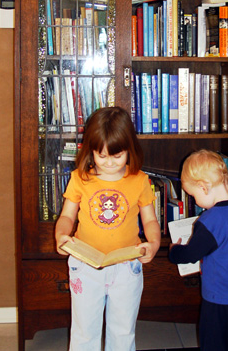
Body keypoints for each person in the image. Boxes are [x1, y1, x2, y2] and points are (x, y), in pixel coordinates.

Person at [55, 106, 161, 351]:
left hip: (126, 266)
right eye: (102, 156)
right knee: (84, 333)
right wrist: (61, 235)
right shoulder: (79, 179)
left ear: (129, 150)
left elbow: (150, 221)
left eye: (117, 155)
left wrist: (153, 244)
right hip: (86, 264)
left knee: (123, 332)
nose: (110, 163)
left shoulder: (140, 180)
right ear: (91, 151)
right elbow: (67, 216)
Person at [169, 149, 228, 351]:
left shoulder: (210, 221)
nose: (195, 201)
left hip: (222, 299)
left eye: (193, 195)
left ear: (203, 187)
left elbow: (190, 255)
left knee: (213, 345)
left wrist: (174, 250)